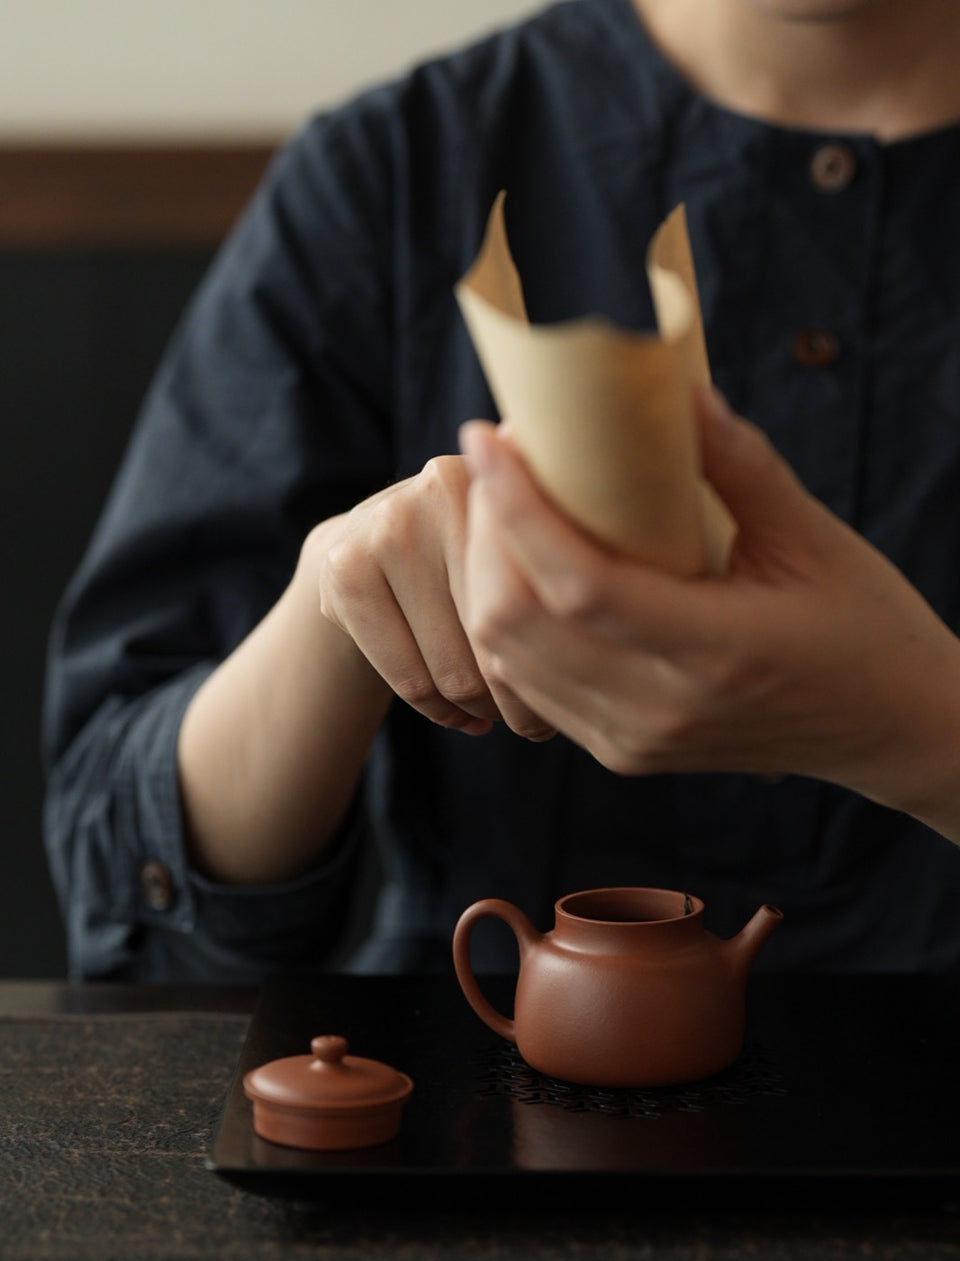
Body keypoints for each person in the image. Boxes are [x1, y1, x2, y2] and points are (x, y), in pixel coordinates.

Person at [43, 0, 960, 983]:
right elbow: (132, 899)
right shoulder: (400, 166)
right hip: (469, 1098)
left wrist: (910, 726)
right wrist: (340, 609)